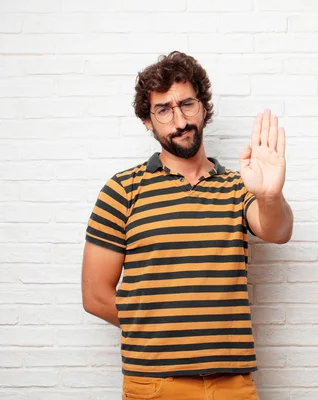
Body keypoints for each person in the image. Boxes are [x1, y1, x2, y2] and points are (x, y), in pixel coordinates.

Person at [81, 51, 293, 400]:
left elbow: (278, 231)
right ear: (148, 122)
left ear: (204, 108)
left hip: (233, 384)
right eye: (163, 109)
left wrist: (270, 195)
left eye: (187, 104)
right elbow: (95, 296)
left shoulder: (238, 186)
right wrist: (166, 330)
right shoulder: (123, 189)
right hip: (155, 385)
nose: (179, 120)